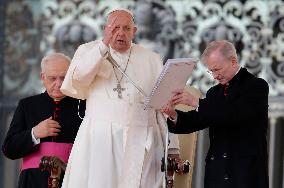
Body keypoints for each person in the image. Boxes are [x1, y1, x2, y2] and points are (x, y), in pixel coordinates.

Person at [60, 8, 180, 188]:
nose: (121, 33)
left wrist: (173, 147)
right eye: (115, 28)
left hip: (142, 137)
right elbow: (79, 79)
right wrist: (102, 46)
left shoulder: (152, 59)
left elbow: (163, 104)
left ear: (135, 31)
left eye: (126, 28)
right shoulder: (88, 50)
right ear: (105, 29)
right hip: (99, 137)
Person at [161, 40, 269, 188]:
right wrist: (172, 114)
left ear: (233, 61)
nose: (214, 76)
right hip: (216, 176)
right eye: (211, 71)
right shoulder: (214, 92)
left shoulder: (257, 86)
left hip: (244, 175)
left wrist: (196, 102)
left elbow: (233, 115)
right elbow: (197, 120)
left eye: (217, 69)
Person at [2, 53, 85, 188]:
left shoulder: (83, 106)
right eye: (52, 78)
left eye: (63, 78)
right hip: (32, 181)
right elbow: (9, 149)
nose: (58, 84)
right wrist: (34, 133)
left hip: (72, 179)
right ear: (42, 77)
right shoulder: (27, 105)